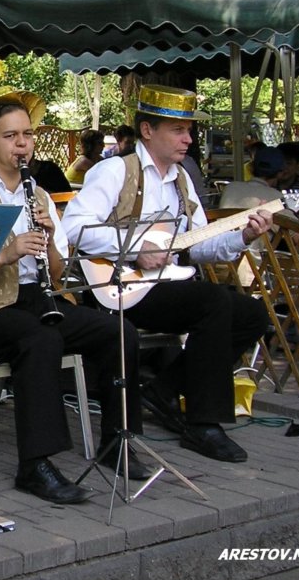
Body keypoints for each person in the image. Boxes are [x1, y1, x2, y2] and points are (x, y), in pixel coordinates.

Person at [0, 88, 148, 504]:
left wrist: (48, 238)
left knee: (118, 330)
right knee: (41, 339)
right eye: (10, 137)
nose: (22, 144)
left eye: (26, 135)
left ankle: (117, 440)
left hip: (34, 298)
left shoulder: (40, 194)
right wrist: (6, 254)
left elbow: (60, 271)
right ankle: (35, 465)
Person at [62, 85, 273, 463]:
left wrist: (243, 236)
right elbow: (75, 229)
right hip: (120, 284)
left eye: (188, 130)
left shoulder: (181, 180)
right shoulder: (115, 170)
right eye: (178, 130)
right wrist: (134, 247)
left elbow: (197, 244)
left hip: (169, 284)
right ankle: (203, 422)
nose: (189, 140)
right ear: (147, 131)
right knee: (211, 302)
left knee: (252, 315)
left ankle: (164, 389)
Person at [219, 146, 285, 209]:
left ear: (251, 167)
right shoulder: (277, 197)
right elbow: (291, 220)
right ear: (280, 174)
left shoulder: (231, 187)